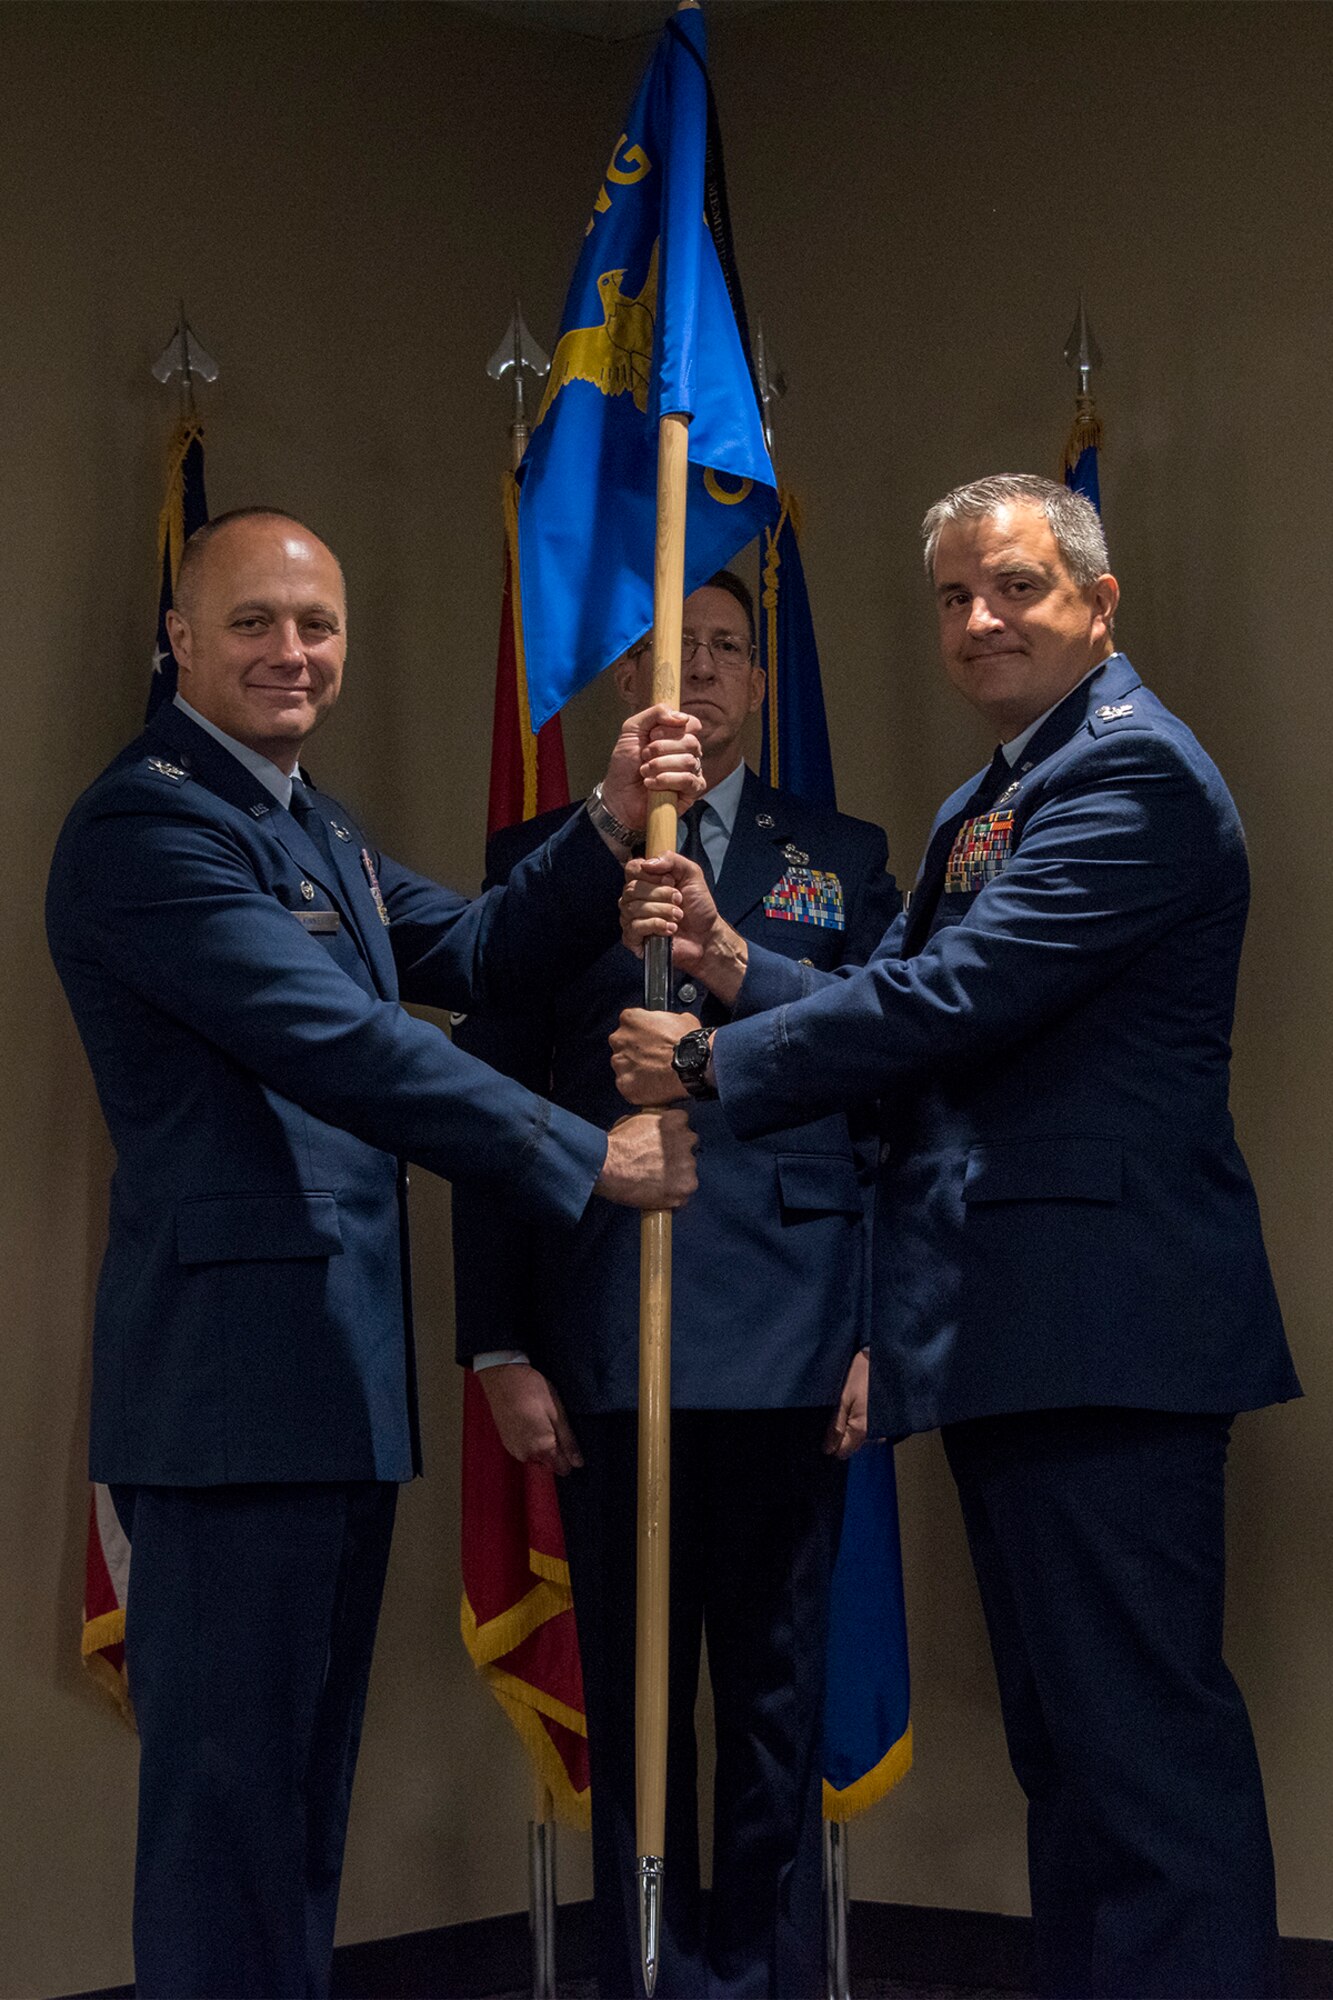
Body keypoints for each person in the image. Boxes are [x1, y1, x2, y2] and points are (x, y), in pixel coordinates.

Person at [612, 478, 1300, 2000]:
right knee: (1073, 1759)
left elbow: (948, 1001)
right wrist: (731, 964)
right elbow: (916, 1028)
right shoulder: (991, 798)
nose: (980, 619)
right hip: (1014, 1329)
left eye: (1017, 588)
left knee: (1142, 1760)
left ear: (1098, 605)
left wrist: (713, 1060)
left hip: (1107, 1332)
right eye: (951, 596)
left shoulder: (1135, 783)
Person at [45, 507, 703, 2000]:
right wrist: (580, 1154)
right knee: (228, 1825)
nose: (293, 652)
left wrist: (602, 821)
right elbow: (339, 1043)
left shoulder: (303, 819)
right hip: (224, 1402)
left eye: (318, 625)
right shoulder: (150, 826)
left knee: (293, 1818)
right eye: (255, 623)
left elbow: (466, 957)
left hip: (329, 1389)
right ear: (179, 639)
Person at [452, 571, 901, 1998]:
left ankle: (755, 1978)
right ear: (620, 680)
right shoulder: (541, 861)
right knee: (634, 1692)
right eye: (665, 651)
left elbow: (891, 1084)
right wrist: (498, 1343)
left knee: (772, 1698)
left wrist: (876, 1330)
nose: (696, 674)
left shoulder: (836, 853)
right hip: (602, 1331)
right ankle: (645, 1977)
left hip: (792, 1331)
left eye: (722, 652)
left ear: (759, 684)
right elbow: (485, 1105)